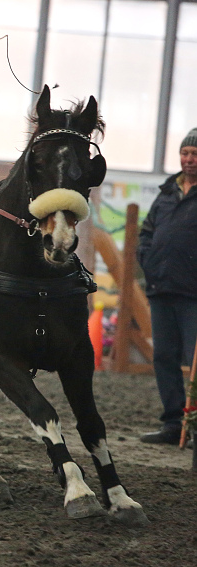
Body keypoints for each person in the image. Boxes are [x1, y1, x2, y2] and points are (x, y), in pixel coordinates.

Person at [137, 127, 197, 445]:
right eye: (185, 153)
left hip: (193, 294)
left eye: (195, 154)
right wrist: (147, 259)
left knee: (196, 359)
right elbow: (147, 232)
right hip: (161, 288)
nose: (189, 159)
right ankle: (174, 424)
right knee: (164, 357)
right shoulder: (167, 192)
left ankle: (195, 425)